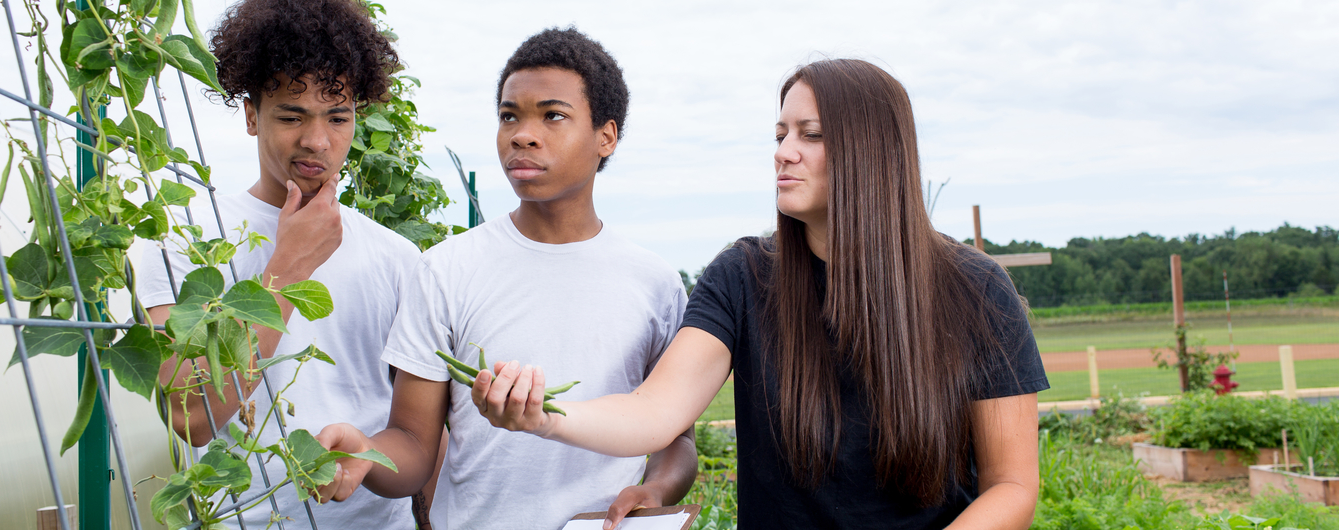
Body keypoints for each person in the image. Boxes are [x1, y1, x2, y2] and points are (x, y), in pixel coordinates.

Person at [466, 58, 1050, 529]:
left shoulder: (976, 290)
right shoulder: (743, 277)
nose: (783, 151)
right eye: (780, 133)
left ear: (874, 152)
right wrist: (544, 416)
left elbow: (1013, 486)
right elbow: (652, 413)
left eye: (811, 135)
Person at [310, 27, 698, 530]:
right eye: (509, 116)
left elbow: (676, 439)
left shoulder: (656, 283)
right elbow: (412, 446)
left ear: (607, 135)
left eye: (552, 115)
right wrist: (367, 453)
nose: (522, 134)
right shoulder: (446, 269)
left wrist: (656, 488)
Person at [137, 0, 421, 526]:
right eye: (292, 116)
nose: (317, 140)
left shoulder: (398, 258)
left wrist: (367, 456)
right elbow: (190, 415)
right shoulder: (184, 239)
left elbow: (419, 440)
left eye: (338, 117)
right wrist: (288, 265)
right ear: (251, 115)